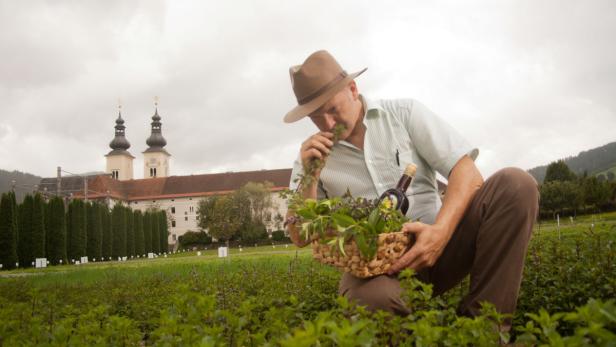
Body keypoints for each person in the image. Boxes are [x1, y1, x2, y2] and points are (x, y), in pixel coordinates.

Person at [283, 50, 539, 325]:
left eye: (333, 109)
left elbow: (466, 172)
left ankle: (485, 332)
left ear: (353, 89)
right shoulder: (311, 156)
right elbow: (299, 235)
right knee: (370, 301)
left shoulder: (403, 114)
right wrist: (310, 176)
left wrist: (440, 233)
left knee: (515, 185)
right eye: (316, 117)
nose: (328, 124)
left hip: (445, 244)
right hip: (378, 269)